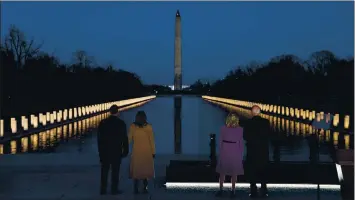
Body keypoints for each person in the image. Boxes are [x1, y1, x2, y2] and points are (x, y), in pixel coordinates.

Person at [97, 105, 129, 195]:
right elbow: (124, 138)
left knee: (104, 171)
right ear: (117, 112)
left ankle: (103, 189)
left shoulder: (103, 123)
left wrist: (100, 151)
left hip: (105, 150)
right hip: (116, 150)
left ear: (110, 112)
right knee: (115, 171)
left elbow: (99, 139)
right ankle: (114, 189)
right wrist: (125, 150)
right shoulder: (121, 123)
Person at [243, 105, 270, 198]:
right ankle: (264, 189)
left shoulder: (248, 123)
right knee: (263, 170)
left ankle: (253, 190)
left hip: (252, 150)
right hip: (263, 150)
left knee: (252, 171)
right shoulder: (266, 122)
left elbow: (245, 137)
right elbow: (268, 135)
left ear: (252, 112)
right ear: (260, 112)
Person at [215, 113, 244, 198]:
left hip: (225, 150)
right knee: (234, 172)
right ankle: (233, 191)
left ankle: (220, 190)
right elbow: (241, 143)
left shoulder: (223, 128)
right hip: (235, 150)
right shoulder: (240, 129)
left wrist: (220, 152)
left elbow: (220, 142)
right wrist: (241, 154)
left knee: (222, 172)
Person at [128, 111, 156, 194]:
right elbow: (152, 141)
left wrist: (122, 148)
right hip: (146, 152)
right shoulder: (149, 127)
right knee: (145, 171)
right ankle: (145, 188)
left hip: (137, 151)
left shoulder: (133, 127)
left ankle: (136, 188)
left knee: (136, 171)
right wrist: (153, 152)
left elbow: (129, 139)